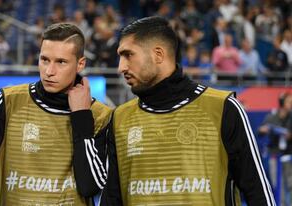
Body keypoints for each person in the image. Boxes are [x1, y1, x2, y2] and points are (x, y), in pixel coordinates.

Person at [70, 16, 276, 205]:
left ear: (158, 54)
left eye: (128, 55)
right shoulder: (120, 118)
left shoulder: (223, 108)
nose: (121, 67)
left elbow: (257, 192)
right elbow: (112, 199)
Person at [0, 23, 112, 206]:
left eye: (61, 62)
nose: (49, 71)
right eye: (44, 60)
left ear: (80, 64)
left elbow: (90, 186)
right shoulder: (9, 101)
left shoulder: (100, 115)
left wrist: (81, 116)